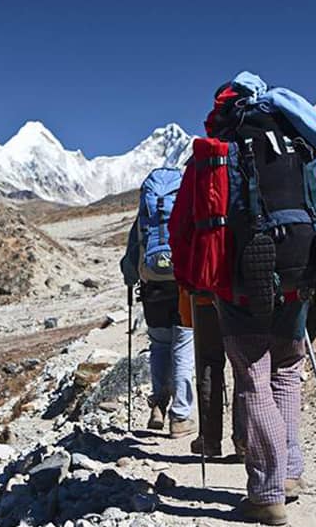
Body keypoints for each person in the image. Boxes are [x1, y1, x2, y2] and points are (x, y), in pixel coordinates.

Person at [169, 71, 316, 525]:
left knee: (253, 375)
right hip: (306, 258)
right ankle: (290, 473)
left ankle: (266, 493)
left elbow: (183, 223)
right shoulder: (299, 136)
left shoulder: (221, 147)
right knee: (287, 368)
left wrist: (194, 279)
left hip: (243, 272)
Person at [120, 167, 197, 438]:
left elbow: (131, 259)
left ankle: (158, 405)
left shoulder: (145, 218)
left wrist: (131, 280)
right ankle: (180, 417)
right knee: (183, 347)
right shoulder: (186, 209)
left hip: (152, 289)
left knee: (160, 346)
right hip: (182, 287)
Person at [177, 288, 245, 458]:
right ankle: (244, 439)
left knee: (209, 364)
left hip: (204, 299)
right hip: (242, 299)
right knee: (244, 366)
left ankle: (209, 440)